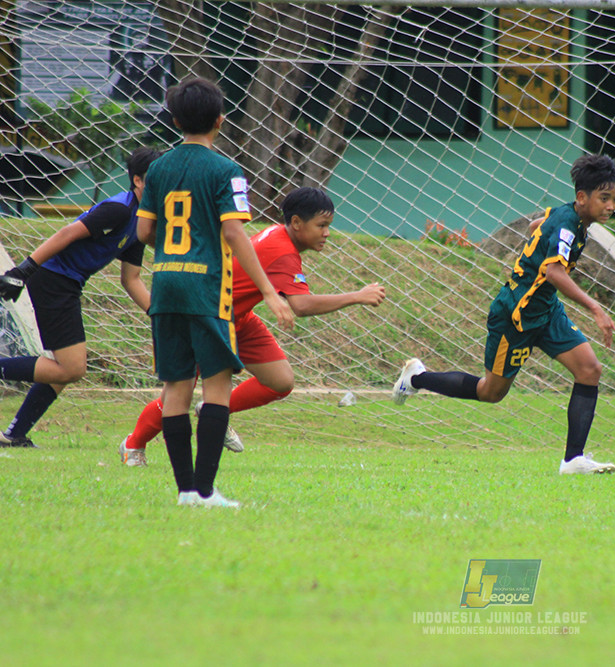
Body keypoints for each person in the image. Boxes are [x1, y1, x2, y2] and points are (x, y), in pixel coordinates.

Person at [119, 186, 386, 466]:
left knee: (280, 381)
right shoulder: (282, 251)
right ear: (296, 223)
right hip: (204, 317)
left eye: (328, 226)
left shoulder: (278, 234)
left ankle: (212, 412)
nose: (327, 233)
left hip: (237, 317)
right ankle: (133, 445)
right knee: (177, 395)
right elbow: (302, 305)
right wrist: (357, 296)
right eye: (321, 226)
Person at [391, 153, 615, 474]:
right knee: (491, 392)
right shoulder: (569, 225)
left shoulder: (571, 219)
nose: (611, 206)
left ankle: (573, 460)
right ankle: (416, 377)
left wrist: (541, 238)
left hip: (546, 311)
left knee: (589, 370)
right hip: (515, 314)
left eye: (614, 199)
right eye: (604, 198)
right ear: (582, 197)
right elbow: (554, 272)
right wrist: (595, 307)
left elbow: (535, 225)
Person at [137, 77, 294, 508]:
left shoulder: (158, 169)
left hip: (165, 282)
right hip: (207, 286)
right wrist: (269, 290)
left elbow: (145, 230)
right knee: (217, 386)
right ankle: (205, 491)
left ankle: (184, 490)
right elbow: (233, 231)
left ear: (174, 120)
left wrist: (173, 247)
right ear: (221, 121)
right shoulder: (226, 170)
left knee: (176, 387)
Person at [0, 146, 161, 448]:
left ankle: (13, 435)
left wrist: (159, 312)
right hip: (53, 280)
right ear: (138, 181)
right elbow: (66, 233)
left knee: (64, 369)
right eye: (159, 177)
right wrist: (23, 270)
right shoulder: (119, 209)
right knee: (72, 368)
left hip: (68, 284)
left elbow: (131, 280)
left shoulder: (140, 222)